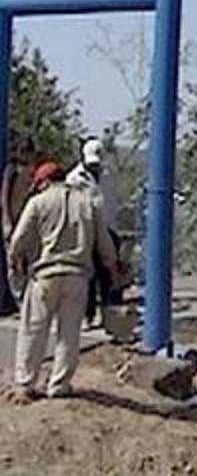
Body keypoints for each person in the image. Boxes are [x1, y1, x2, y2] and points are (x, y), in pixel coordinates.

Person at [8, 162, 120, 402]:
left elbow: (18, 240)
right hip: (78, 276)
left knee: (33, 330)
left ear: (44, 182)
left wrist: (15, 262)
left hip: (45, 275)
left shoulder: (38, 202)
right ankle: (59, 385)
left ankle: (25, 385)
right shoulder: (88, 203)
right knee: (68, 334)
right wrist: (113, 270)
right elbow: (105, 245)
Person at [66, 138, 121, 327]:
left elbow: (111, 202)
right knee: (87, 276)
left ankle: (108, 315)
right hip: (86, 231)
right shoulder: (74, 178)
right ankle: (87, 315)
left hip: (108, 229)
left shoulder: (108, 176)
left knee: (108, 276)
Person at [0, 138, 37, 315]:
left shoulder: (32, 171)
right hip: (13, 222)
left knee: (28, 261)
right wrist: (7, 220)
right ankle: (18, 298)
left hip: (28, 223)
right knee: (13, 262)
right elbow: (4, 196)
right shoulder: (12, 170)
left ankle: (27, 299)